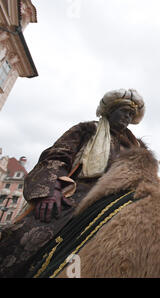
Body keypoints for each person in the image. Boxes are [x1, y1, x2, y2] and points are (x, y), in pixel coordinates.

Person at [0, 89, 146, 277]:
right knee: (24, 237)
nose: (127, 116)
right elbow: (57, 156)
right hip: (74, 194)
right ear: (110, 110)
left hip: (117, 204)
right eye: (124, 110)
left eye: (131, 114)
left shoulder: (137, 148)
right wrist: (50, 190)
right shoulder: (87, 130)